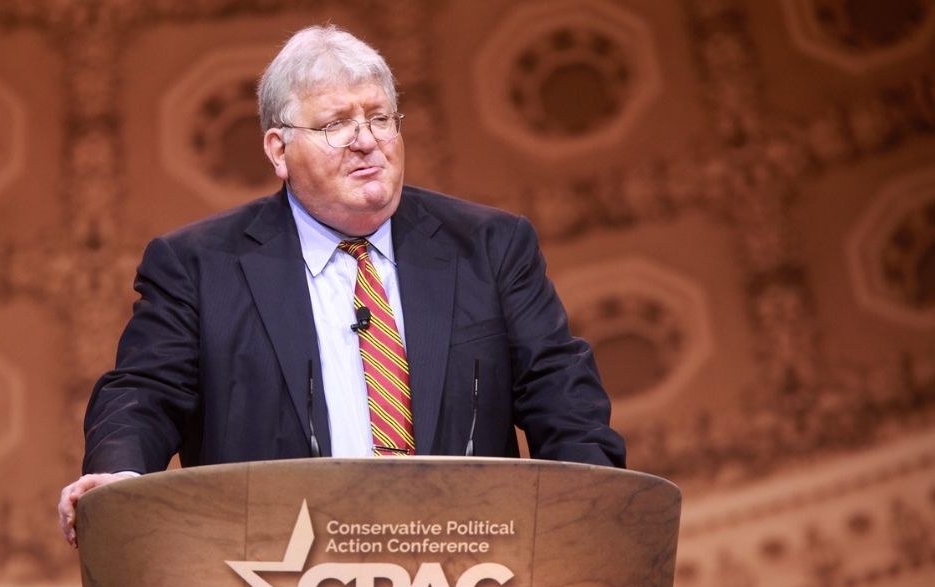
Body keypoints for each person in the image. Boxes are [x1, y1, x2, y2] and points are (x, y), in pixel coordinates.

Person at [58, 24, 625, 546]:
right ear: (278, 150)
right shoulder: (198, 266)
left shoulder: (490, 247)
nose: (366, 141)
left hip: (465, 568)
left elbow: (561, 392)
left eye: (380, 118)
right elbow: (144, 392)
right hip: (274, 572)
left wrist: (592, 509)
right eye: (335, 125)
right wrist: (122, 478)